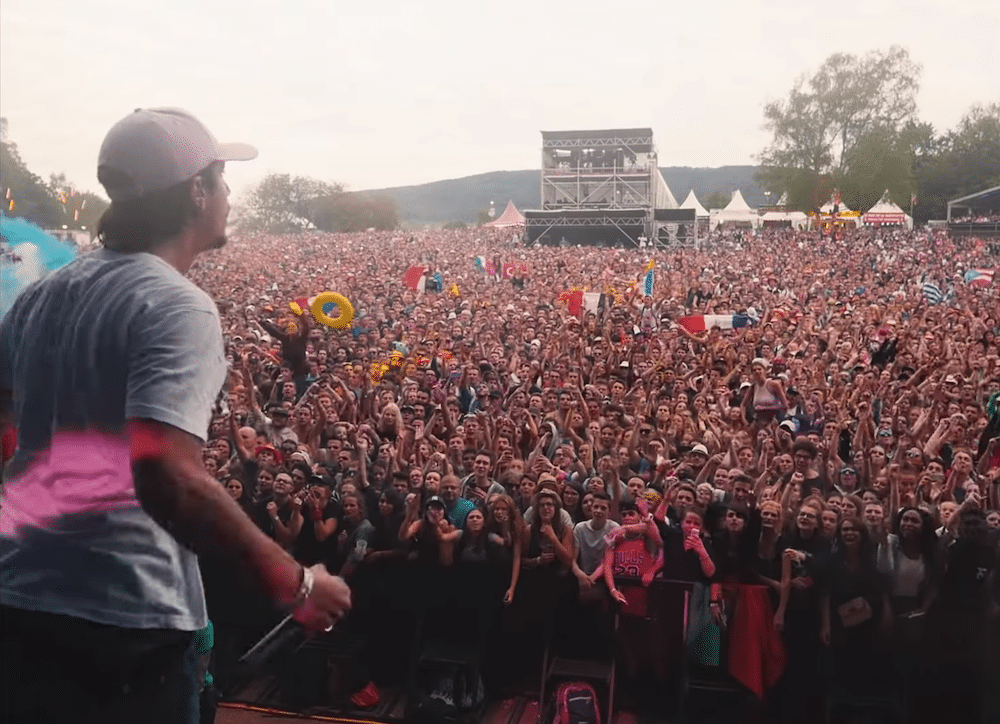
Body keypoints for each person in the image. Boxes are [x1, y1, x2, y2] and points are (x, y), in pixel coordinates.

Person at [0, 108, 351, 724]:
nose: (229, 192)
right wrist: (296, 585)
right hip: (127, 628)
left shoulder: (36, 298)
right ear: (196, 191)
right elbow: (166, 469)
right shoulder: (175, 304)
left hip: (19, 603)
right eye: (221, 177)